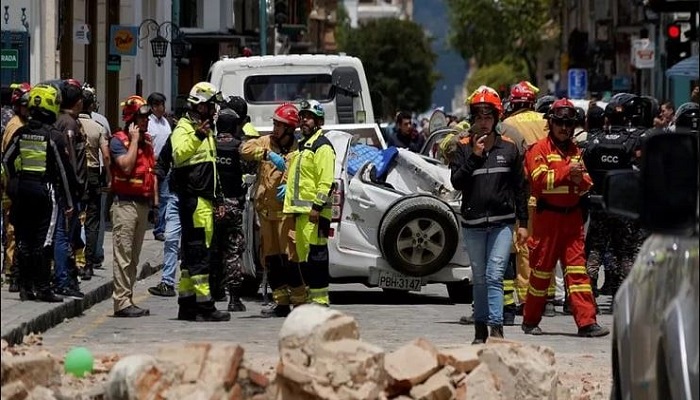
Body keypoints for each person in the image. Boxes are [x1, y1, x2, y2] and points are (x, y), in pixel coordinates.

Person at [523, 98, 609, 337]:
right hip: (547, 220)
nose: (564, 128)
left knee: (578, 273)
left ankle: (586, 322)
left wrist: (577, 178)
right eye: (560, 123)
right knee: (541, 272)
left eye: (568, 124)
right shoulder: (538, 149)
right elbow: (539, 182)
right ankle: (530, 321)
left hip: (572, 220)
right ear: (550, 123)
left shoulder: (575, 151)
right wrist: (566, 173)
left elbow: (585, 185)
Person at [450, 87, 529, 343]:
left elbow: (520, 187)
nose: (483, 122)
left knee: (495, 275)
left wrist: (523, 223)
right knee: (480, 278)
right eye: (479, 116)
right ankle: (480, 329)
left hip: (501, 224)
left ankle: (497, 328)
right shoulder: (462, 147)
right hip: (472, 224)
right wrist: (474, 157)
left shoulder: (509, 149)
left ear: (496, 118)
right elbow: (457, 182)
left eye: (488, 117)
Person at [2, 83, 76, 302]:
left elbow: (6, 161)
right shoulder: (53, 137)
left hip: (23, 190)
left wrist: (15, 181)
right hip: (46, 192)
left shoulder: (21, 133)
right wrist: (70, 201)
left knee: (24, 240)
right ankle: (43, 288)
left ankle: (25, 287)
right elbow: (63, 172)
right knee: (44, 241)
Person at [171, 81, 230, 322]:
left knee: (192, 255)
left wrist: (218, 199)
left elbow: (211, 169)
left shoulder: (206, 130)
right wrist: (197, 135)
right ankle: (205, 307)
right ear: (201, 106)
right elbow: (178, 155)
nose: (215, 110)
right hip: (194, 200)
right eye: (212, 105)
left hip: (205, 199)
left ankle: (186, 304)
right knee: (199, 254)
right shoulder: (185, 128)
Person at [241, 103, 305, 317]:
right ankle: (281, 303)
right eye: (275, 124)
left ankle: (299, 303)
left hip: (287, 214)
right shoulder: (266, 142)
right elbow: (244, 149)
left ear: (290, 128)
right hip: (266, 214)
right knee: (271, 260)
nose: (275, 128)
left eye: (280, 125)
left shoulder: (299, 150)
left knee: (290, 259)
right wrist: (267, 155)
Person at [583, 94, 646, 297]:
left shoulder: (594, 141)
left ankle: (588, 290)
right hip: (623, 206)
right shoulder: (633, 141)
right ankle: (626, 293)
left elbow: (586, 169)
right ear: (627, 118)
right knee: (625, 251)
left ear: (606, 119)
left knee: (595, 249)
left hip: (599, 203)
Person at [283, 99, 335, 306]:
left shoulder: (322, 147)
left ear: (318, 121)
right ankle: (312, 300)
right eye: (302, 117)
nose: (304, 120)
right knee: (306, 259)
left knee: (317, 258)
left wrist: (316, 208)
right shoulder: (305, 146)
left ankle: (320, 302)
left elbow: (326, 182)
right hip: (302, 213)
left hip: (314, 214)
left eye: (309, 117)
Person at [109, 95, 158, 317]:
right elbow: (126, 168)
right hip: (125, 205)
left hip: (142, 205)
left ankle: (127, 298)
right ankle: (121, 302)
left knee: (135, 257)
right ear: (131, 119)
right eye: (142, 117)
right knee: (123, 255)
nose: (146, 121)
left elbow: (151, 173)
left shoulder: (147, 141)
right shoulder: (118, 141)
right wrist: (135, 140)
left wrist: (155, 204)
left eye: (147, 118)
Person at [210, 108, 248, 312]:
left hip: (213, 206)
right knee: (233, 251)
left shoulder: (210, 145)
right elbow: (249, 169)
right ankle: (234, 299)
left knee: (213, 249)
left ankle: (215, 292)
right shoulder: (239, 147)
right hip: (234, 205)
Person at [53, 78, 88, 299]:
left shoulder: (67, 121)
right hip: (69, 191)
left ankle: (68, 277)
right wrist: (74, 190)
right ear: (77, 102)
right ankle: (63, 279)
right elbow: (71, 161)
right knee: (63, 235)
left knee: (70, 236)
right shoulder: (69, 124)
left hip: (71, 190)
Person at [1, 82, 30, 291]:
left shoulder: (21, 123)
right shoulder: (15, 126)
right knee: (12, 227)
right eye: (25, 105)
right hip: (12, 184)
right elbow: (10, 158)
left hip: (17, 183)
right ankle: (11, 268)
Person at [78, 85, 110, 280]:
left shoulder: (68, 124)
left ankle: (75, 261)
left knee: (72, 218)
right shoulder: (97, 126)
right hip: (92, 174)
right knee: (92, 221)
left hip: (74, 174)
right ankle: (89, 263)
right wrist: (109, 177)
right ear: (91, 106)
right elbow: (106, 156)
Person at [148, 92, 172, 242]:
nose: (161, 108)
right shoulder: (149, 122)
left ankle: (159, 229)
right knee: (151, 198)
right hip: (152, 164)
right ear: (152, 107)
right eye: (158, 105)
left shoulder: (165, 122)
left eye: (162, 104)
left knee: (164, 197)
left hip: (165, 165)